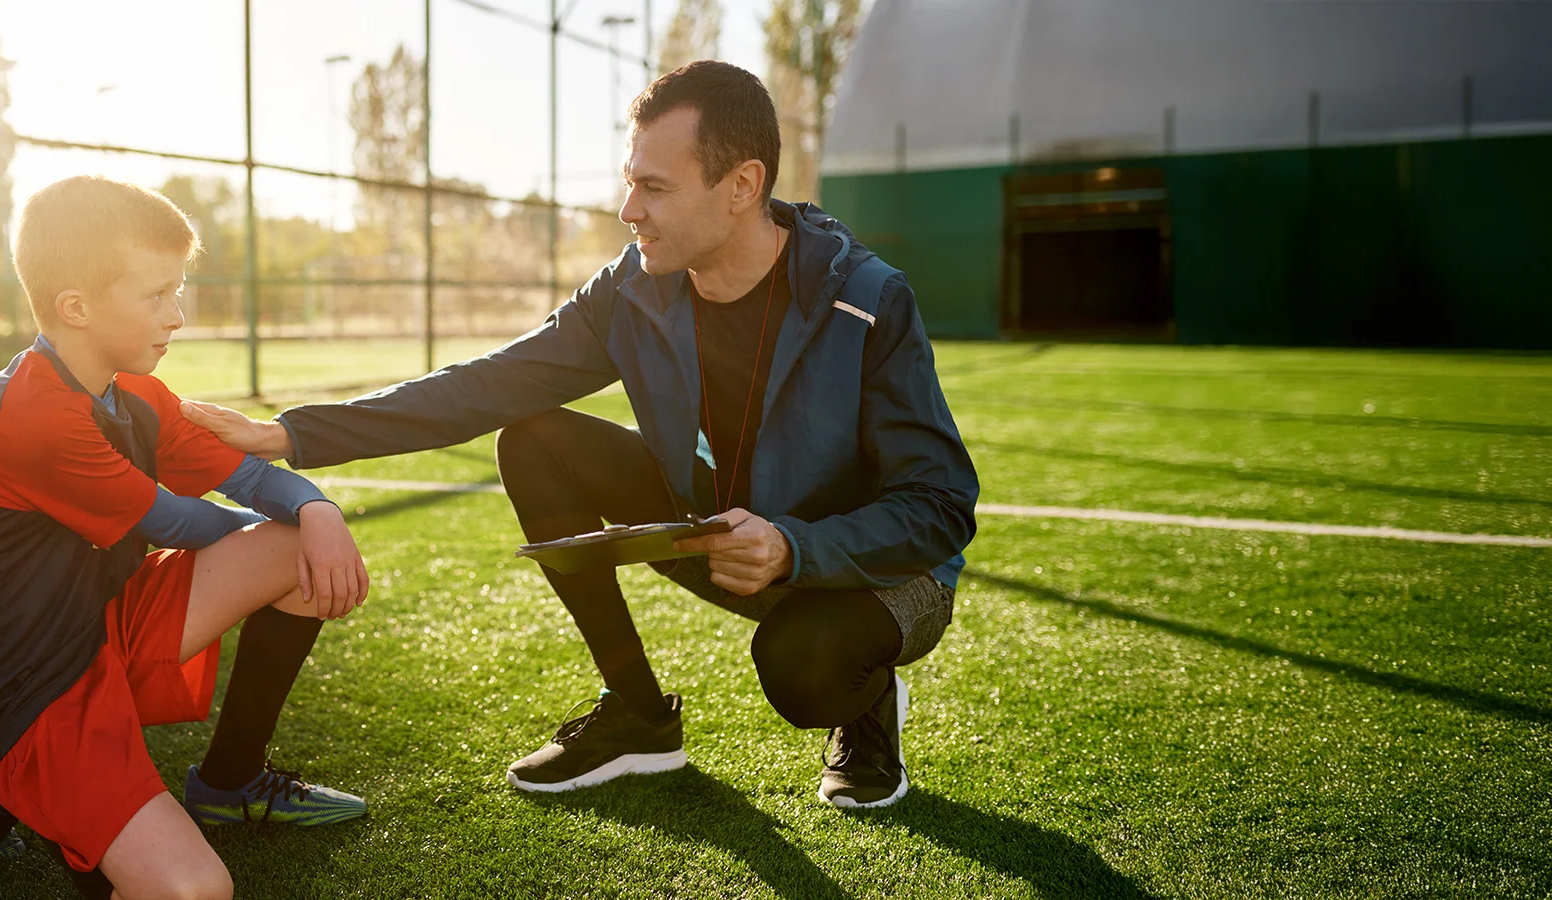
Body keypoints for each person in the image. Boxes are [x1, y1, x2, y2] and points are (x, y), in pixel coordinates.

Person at [182, 61, 978, 809]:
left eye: (654, 188)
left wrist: (796, 548)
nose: (629, 210)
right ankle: (637, 717)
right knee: (531, 438)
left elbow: (940, 508)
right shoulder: (633, 290)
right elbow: (487, 385)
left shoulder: (866, 299)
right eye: (630, 182)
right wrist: (290, 433)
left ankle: (868, 706)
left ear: (743, 186)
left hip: (875, 570)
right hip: (727, 529)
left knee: (803, 669)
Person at [0, 176, 372, 899]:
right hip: (28, 686)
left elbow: (256, 480)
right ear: (75, 306)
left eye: (180, 288)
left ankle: (228, 781)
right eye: (157, 294)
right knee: (195, 891)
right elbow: (178, 521)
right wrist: (282, 523)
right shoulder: (32, 413)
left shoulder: (134, 391)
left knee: (299, 547)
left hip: (103, 624)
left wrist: (316, 510)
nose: (179, 313)